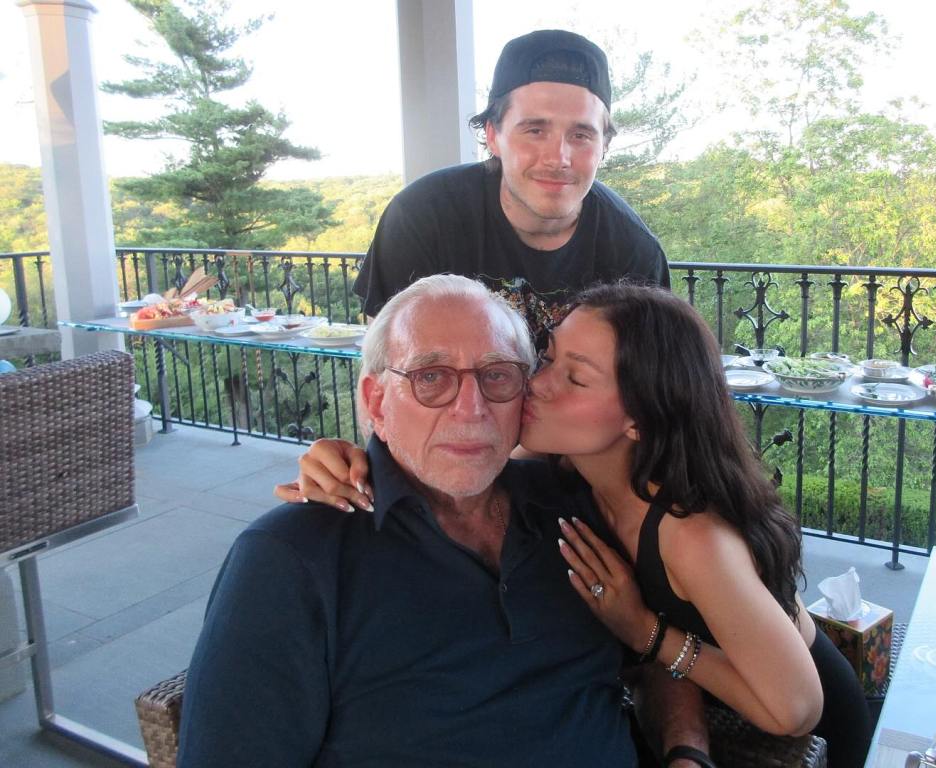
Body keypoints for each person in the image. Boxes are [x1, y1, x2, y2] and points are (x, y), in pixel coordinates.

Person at [290, 283, 873, 768]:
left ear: (639, 420)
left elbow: (796, 709)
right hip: (689, 697)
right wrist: (346, 457)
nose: (536, 383)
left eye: (576, 378)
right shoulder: (560, 466)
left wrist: (643, 629)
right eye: (547, 359)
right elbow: (444, 453)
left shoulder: (691, 535)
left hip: (785, 719)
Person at [178, 275, 709, 768]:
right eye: (431, 377)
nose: (470, 408)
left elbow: (661, 647)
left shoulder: (574, 505)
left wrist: (687, 752)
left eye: (497, 375)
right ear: (376, 402)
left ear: (524, 393)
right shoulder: (293, 557)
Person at [353, 28, 669, 339]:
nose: (558, 157)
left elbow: (644, 382)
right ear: (493, 135)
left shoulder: (634, 254)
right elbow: (385, 369)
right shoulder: (421, 218)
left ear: (604, 146)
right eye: (535, 130)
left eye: (581, 135)